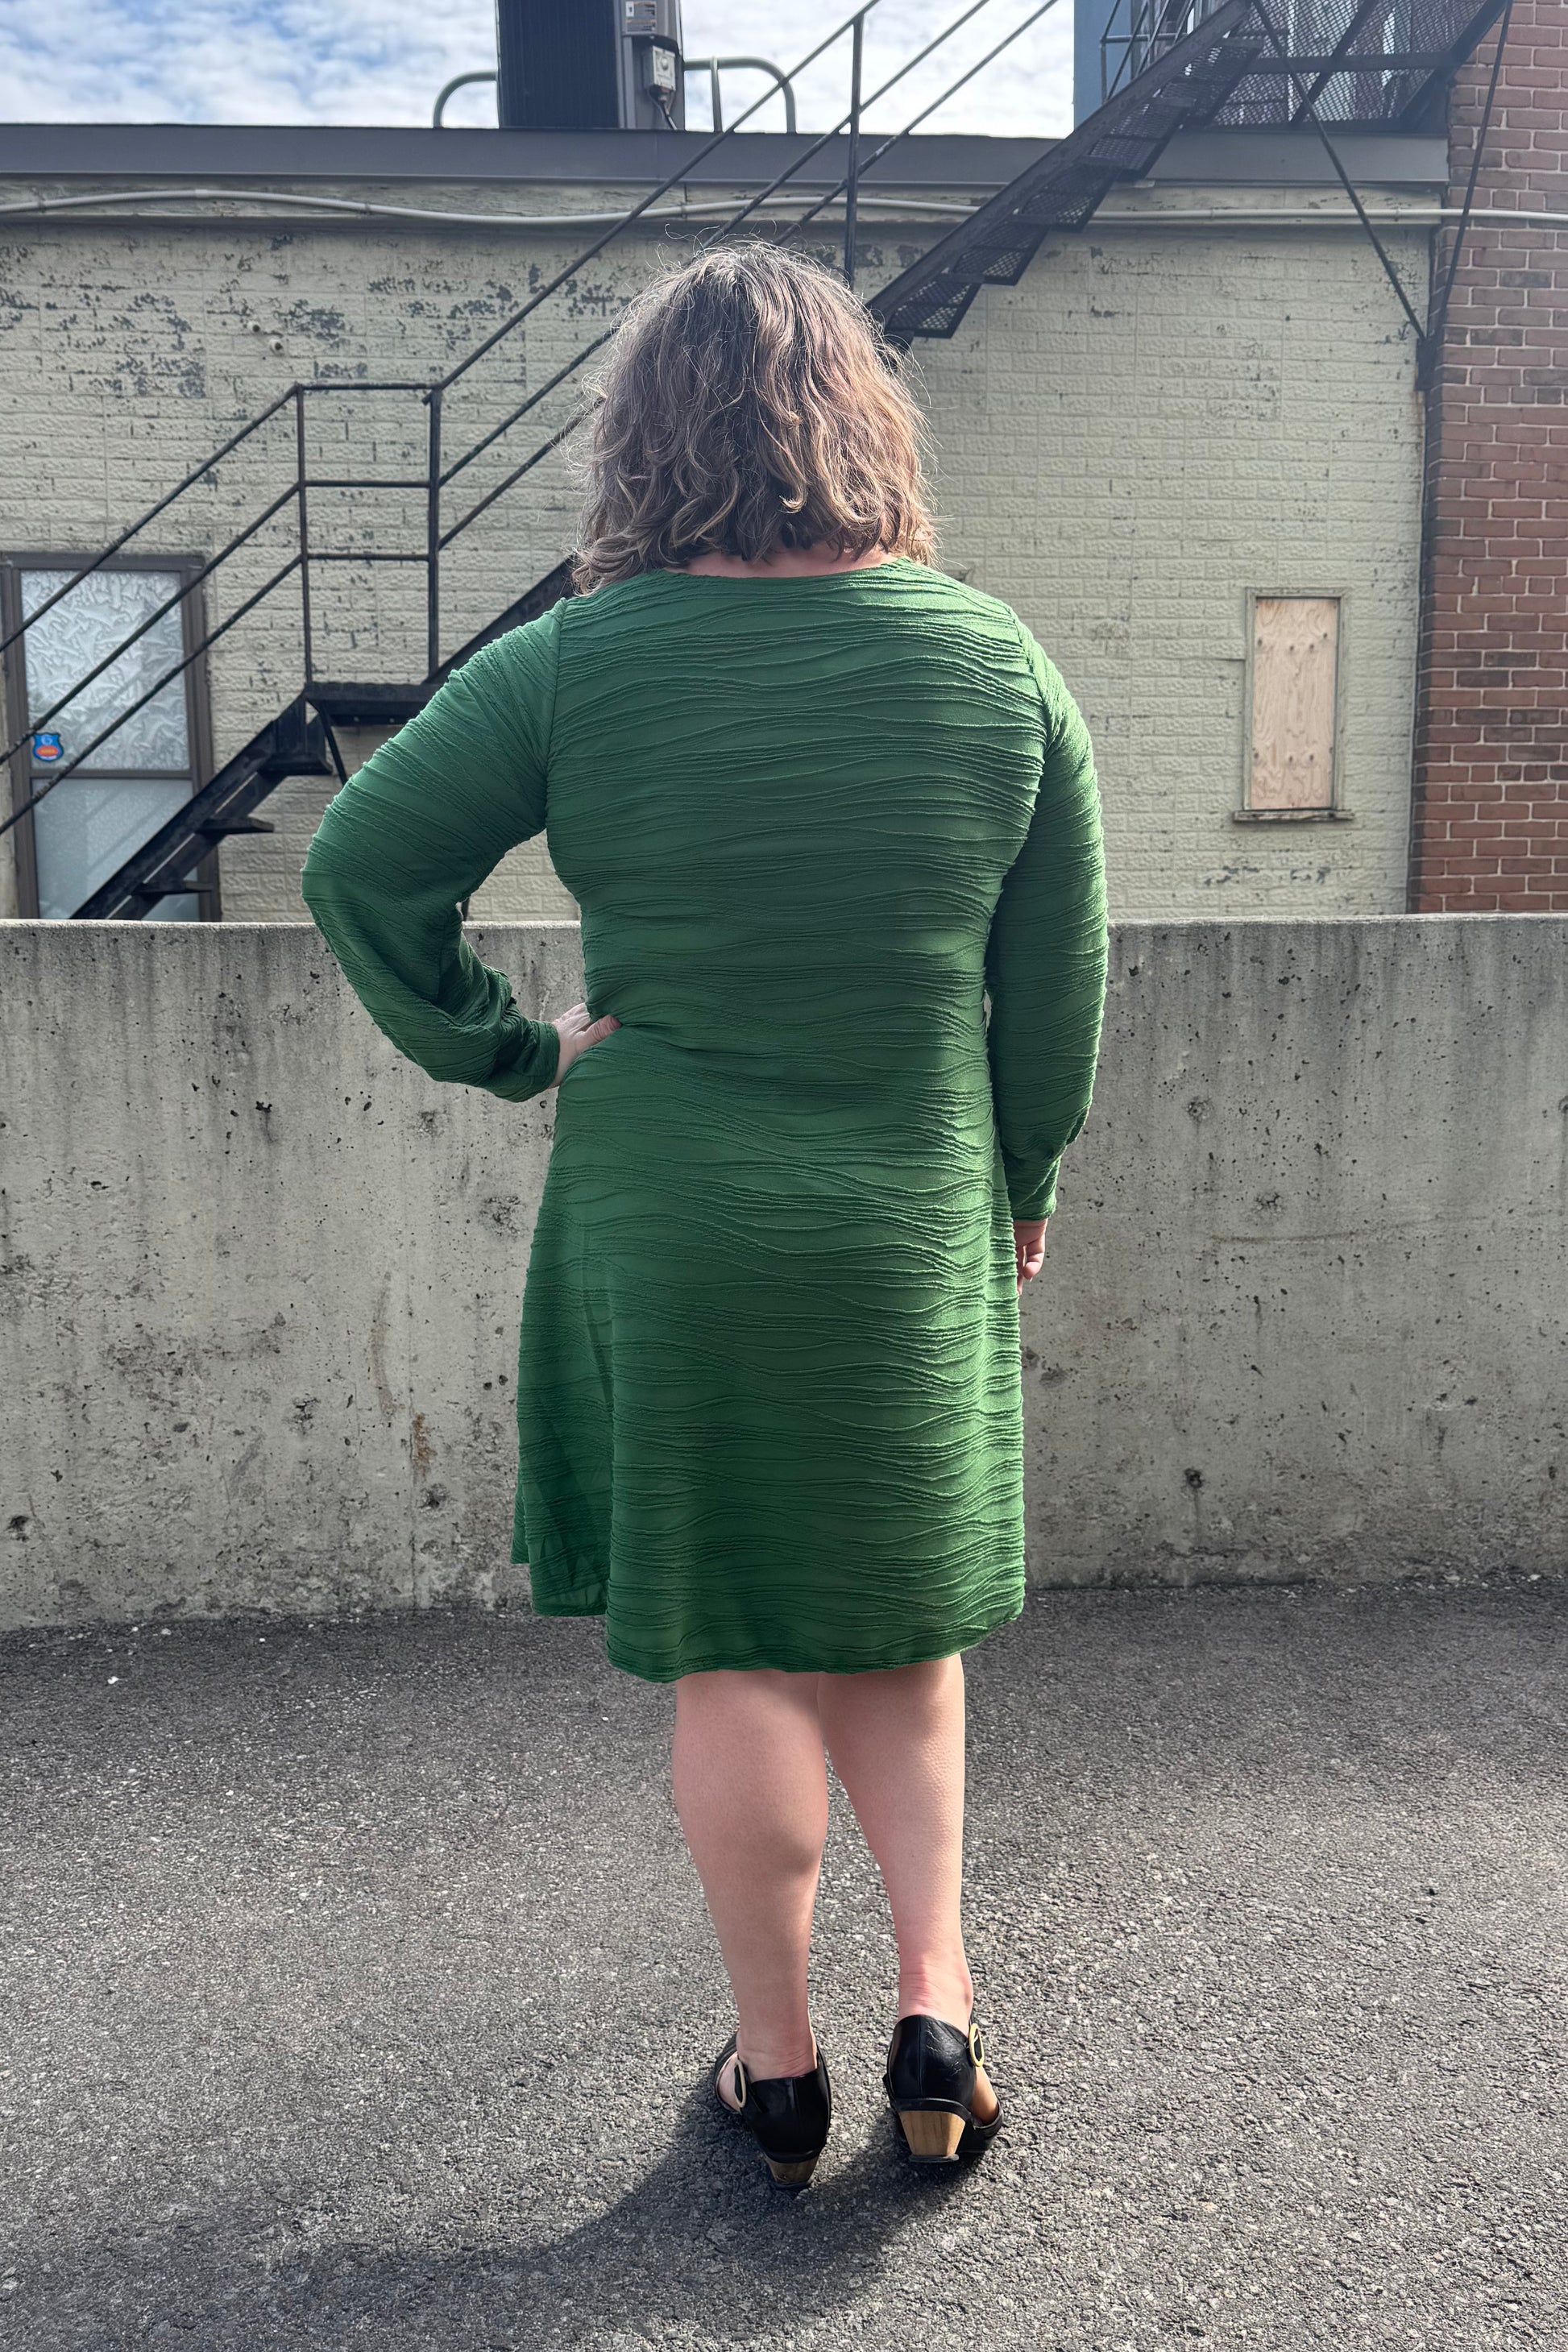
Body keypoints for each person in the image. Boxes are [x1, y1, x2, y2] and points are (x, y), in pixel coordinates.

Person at [301, 243, 1108, 2192]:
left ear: (641, 437)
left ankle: (782, 2066)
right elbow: (1054, 988)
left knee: (737, 1640)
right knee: (899, 1626)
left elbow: (359, 867)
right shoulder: (991, 664)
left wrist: (513, 1048)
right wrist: (1019, 1185)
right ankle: (938, 2013)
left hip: (668, 1213)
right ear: (863, 418)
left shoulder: (574, 663)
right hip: (904, 1208)